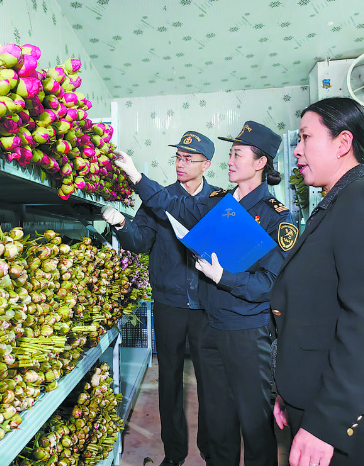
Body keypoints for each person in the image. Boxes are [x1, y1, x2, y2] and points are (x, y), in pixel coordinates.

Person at [113, 121, 298, 466]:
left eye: (237, 154)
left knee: (254, 422)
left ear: (260, 163)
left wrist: (225, 277)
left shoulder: (278, 216)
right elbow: (174, 207)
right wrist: (137, 178)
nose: (230, 161)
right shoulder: (219, 203)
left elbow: (269, 285)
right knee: (218, 416)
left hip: (245, 330)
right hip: (211, 323)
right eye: (229, 154)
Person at [270, 97, 364, 466]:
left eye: (305, 138)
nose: (297, 152)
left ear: (343, 143)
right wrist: (289, 389)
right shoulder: (337, 202)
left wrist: (325, 424)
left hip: (347, 417)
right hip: (317, 396)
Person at [101, 131, 217, 466]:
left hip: (207, 305)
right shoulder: (157, 199)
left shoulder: (215, 201)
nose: (181, 164)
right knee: (169, 381)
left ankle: (211, 451)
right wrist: (122, 223)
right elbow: (139, 241)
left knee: (210, 381)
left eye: (189, 159)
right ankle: (174, 453)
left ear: (206, 164)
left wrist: (138, 178)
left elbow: (188, 214)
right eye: (178, 157)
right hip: (169, 303)